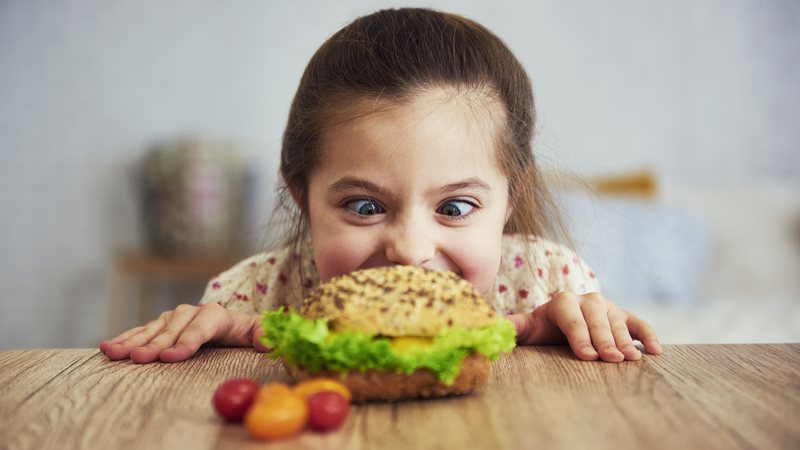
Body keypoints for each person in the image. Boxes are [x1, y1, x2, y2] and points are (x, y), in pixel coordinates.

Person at [100, 8, 661, 365]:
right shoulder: (247, 297)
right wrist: (212, 342)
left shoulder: (547, 283)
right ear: (302, 195)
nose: (410, 250)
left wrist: (579, 335)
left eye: (456, 206)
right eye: (365, 206)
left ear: (510, 198)